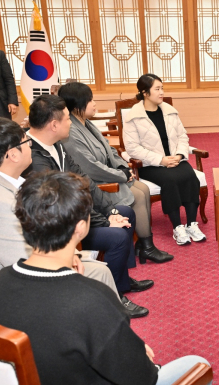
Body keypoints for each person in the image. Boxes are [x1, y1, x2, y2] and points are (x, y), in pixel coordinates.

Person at [0, 170, 212, 385]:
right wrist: (139, 353)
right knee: (198, 367)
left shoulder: (0, 281)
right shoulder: (91, 299)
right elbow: (139, 380)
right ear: (81, 227)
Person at [0, 117, 119, 310]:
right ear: (12, 155)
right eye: (26, 141)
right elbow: (24, 262)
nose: (31, 146)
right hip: (6, 292)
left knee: (100, 272)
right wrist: (68, 257)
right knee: (99, 276)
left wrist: (71, 255)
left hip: (24, 268)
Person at [24, 95, 152, 318]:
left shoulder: (56, 145)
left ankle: (121, 281)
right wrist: (105, 221)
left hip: (76, 213)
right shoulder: (35, 157)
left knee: (124, 212)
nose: (71, 122)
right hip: (59, 226)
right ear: (54, 125)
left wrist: (109, 212)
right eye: (67, 119)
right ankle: (113, 296)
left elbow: (85, 183)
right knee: (118, 237)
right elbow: (63, 200)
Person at [58, 82, 172, 263]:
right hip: (96, 183)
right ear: (77, 105)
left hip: (110, 174)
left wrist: (122, 167)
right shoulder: (71, 132)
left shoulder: (87, 123)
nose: (94, 104)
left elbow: (110, 150)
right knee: (138, 195)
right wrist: (121, 175)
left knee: (143, 189)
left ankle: (144, 244)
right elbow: (90, 167)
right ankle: (146, 246)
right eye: (90, 101)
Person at [123, 74, 206, 246]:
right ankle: (177, 227)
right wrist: (161, 160)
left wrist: (180, 155)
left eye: (162, 88)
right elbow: (133, 148)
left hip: (175, 160)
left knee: (190, 175)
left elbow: (183, 136)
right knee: (170, 180)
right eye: (157, 89)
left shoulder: (169, 111)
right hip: (150, 164)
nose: (162, 92)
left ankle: (191, 224)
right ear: (145, 93)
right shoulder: (133, 117)